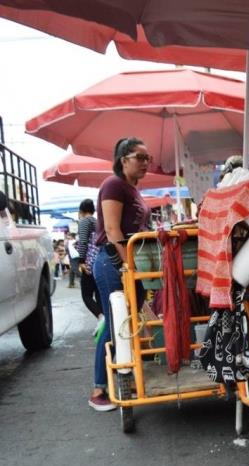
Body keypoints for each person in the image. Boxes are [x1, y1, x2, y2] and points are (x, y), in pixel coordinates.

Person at [89, 137, 151, 412]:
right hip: (113, 262)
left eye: (147, 158)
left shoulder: (131, 188)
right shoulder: (113, 184)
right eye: (141, 157)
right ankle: (99, 389)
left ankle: (125, 375)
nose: (146, 163)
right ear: (123, 159)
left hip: (127, 263)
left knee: (127, 323)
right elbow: (113, 231)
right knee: (116, 324)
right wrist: (129, 266)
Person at [76, 199, 104, 340]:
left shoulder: (84, 222)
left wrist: (81, 261)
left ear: (81, 211)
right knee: (99, 294)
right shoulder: (98, 222)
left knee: (86, 295)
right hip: (100, 262)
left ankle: (101, 318)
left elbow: (83, 241)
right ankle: (104, 324)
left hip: (89, 263)